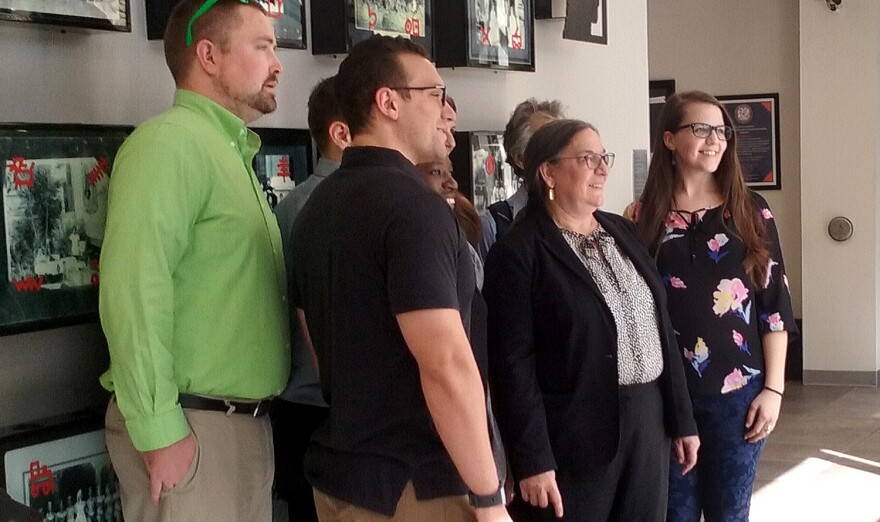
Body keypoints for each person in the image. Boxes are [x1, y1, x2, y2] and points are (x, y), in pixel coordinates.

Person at [287, 35, 511, 522]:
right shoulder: (414, 210)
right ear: (388, 102)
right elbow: (445, 363)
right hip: (419, 485)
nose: (445, 110)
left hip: (344, 480)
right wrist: (489, 498)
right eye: (435, 93)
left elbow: (323, 353)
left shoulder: (315, 210)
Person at [98, 1, 288, 521]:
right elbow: (134, 289)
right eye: (263, 46)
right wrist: (160, 432)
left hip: (234, 430)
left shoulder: (227, 152)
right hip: (194, 429)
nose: (278, 63)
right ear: (207, 54)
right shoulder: (169, 142)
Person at [483, 119, 699, 521]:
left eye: (604, 157)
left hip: (648, 422)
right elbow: (511, 366)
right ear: (547, 172)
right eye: (587, 158)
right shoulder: (519, 252)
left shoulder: (622, 230)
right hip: (572, 437)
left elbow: (661, 327)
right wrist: (531, 459)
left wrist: (681, 420)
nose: (603, 168)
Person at [629, 90, 797, 522]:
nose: (714, 140)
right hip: (666, 395)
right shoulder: (642, 216)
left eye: (721, 131)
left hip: (737, 395)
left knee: (729, 513)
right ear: (669, 139)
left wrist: (774, 390)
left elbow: (774, 305)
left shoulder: (750, 211)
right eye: (700, 129)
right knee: (672, 514)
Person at [270, 75, 351, 522]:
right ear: (341, 133)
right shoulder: (334, 206)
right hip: (326, 410)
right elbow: (316, 319)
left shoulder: (292, 204)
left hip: (303, 409)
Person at [478, 98, 565, 260]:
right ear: (520, 158)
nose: (560, 154)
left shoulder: (587, 217)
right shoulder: (493, 224)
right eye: (547, 145)